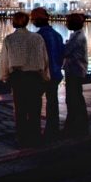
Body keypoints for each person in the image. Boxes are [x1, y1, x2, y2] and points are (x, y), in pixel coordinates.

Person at [0, 12, 50, 148]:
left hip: (19, 78)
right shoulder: (37, 38)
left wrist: (4, 77)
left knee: (20, 110)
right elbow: (44, 60)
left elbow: (4, 60)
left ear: (14, 22)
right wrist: (46, 77)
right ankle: (35, 137)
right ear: (27, 22)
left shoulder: (9, 39)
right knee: (35, 109)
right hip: (35, 78)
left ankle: (22, 138)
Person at [30, 7, 64, 140]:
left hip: (43, 75)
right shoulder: (57, 35)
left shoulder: (38, 37)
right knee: (53, 102)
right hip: (56, 74)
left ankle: (35, 131)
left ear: (37, 20)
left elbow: (37, 58)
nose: (32, 21)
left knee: (35, 103)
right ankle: (53, 129)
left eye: (33, 19)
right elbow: (62, 55)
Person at [62, 13, 89, 136]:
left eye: (67, 21)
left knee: (73, 98)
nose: (66, 24)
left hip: (75, 70)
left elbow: (66, 51)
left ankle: (74, 126)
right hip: (77, 70)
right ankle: (79, 124)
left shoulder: (77, 37)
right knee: (76, 97)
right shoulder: (77, 35)